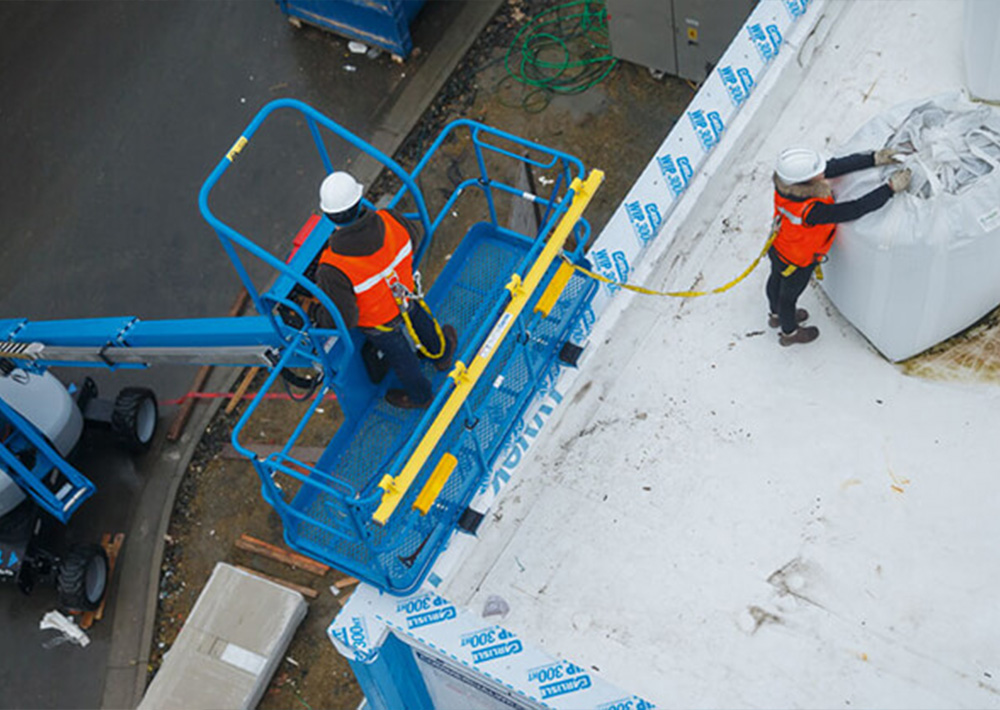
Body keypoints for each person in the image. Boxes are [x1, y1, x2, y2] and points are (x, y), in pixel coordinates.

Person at [311, 171, 457, 409]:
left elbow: (344, 318)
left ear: (328, 216)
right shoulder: (390, 218)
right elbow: (414, 240)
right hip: (406, 296)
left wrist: (318, 317)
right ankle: (443, 355)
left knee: (402, 358)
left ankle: (422, 398)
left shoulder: (332, 268)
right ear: (359, 200)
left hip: (380, 323)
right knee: (424, 323)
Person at [767, 146, 911, 346]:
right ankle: (789, 333)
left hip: (778, 248)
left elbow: (834, 166)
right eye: (816, 172)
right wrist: (889, 189)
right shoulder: (812, 211)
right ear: (805, 180)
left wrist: (873, 159)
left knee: (775, 280)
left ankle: (775, 315)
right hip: (797, 262)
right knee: (788, 297)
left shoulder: (786, 186)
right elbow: (854, 209)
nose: (822, 172)